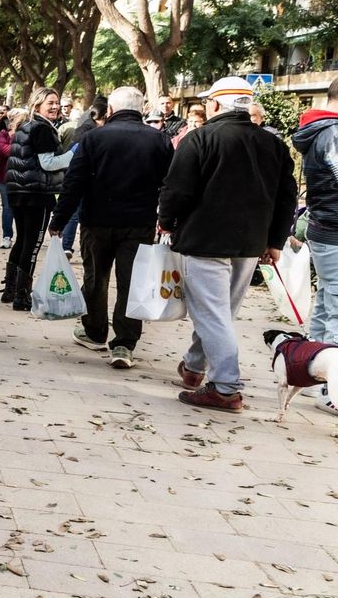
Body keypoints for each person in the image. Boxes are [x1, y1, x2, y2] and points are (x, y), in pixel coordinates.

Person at [159, 76, 298, 411]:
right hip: (250, 243)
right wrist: (275, 240)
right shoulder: (273, 144)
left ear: (218, 104)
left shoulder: (201, 139)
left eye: (209, 101)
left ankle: (225, 387)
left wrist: (166, 221)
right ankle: (194, 367)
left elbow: (177, 189)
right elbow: (286, 197)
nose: (207, 106)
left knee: (212, 315)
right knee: (220, 314)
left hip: (205, 241)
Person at [48, 87, 173, 370]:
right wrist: (167, 220)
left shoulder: (93, 138)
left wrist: (58, 220)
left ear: (111, 110)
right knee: (131, 282)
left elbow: (74, 183)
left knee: (96, 278)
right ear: (141, 109)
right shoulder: (160, 140)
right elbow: (170, 184)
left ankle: (94, 331)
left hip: (97, 220)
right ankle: (124, 344)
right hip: (139, 223)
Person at [1, 88, 74, 310]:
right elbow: (48, 163)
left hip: (17, 192)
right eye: (50, 102)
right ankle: (21, 295)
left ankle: (10, 289)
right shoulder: (42, 129)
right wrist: (73, 154)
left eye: (57, 102)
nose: (55, 106)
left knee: (22, 240)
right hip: (35, 194)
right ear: (37, 105)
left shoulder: (26, 126)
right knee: (31, 244)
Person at [292, 79, 338, 342]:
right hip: (333, 228)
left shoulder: (321, 129)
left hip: (324, 226)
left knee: (326, 301)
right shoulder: (333, 133)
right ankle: (330, 381)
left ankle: (317, 372)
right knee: (334, 310)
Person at [57, 94, 107, 254]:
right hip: (83, 176)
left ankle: (67, 245)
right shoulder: (87, 129)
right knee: (76, 213)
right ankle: (66, 245)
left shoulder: (86, 125)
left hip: (87, 177)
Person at [0, 109, 25, 247]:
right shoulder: (3, 134)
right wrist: (21, 148)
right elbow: (4, 150)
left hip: (22, 176)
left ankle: (23, 237)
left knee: (22, 207)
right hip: (4, 176)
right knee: (8, 207)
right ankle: (7, 236)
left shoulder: (26, 135)